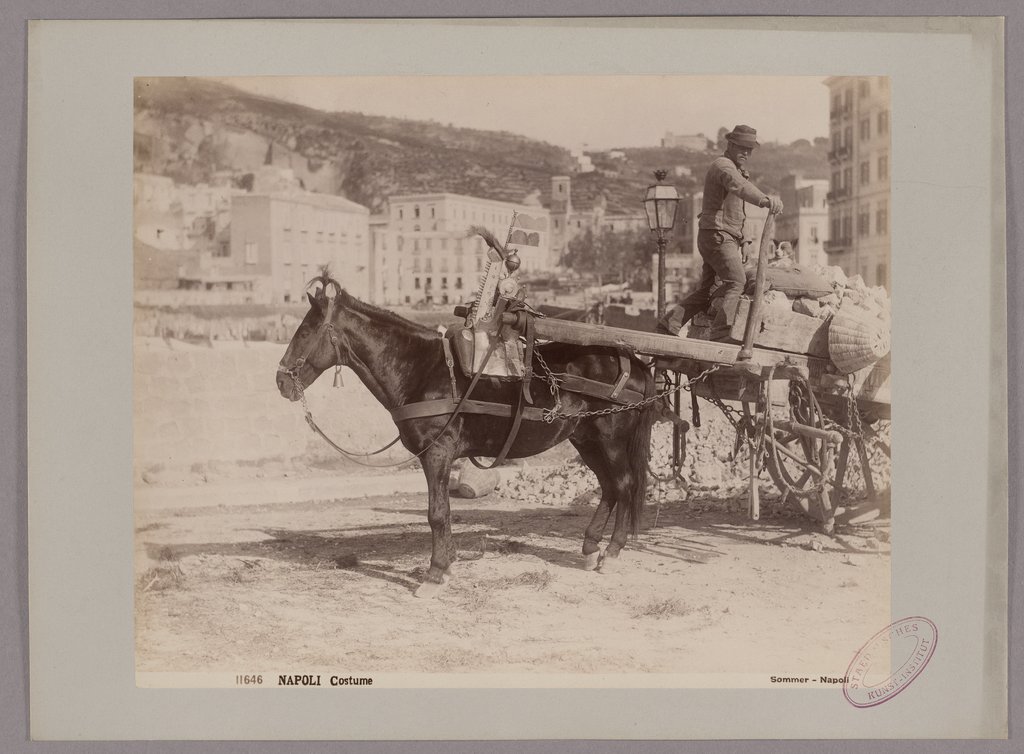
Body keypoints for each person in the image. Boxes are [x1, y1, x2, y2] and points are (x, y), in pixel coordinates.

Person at [657, 124, 783, 340]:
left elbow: (738, 208)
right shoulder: (723, 167)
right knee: (737, 282)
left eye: (750, 149)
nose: (746, 153)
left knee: (707, 291)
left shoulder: (735, 168)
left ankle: (669, 324)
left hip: (721, 236)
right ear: (730, 144)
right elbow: (739, 187)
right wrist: (764, 199)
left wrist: (745, 240)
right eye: (742, 148)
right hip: (717, 236)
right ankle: (721, 334)